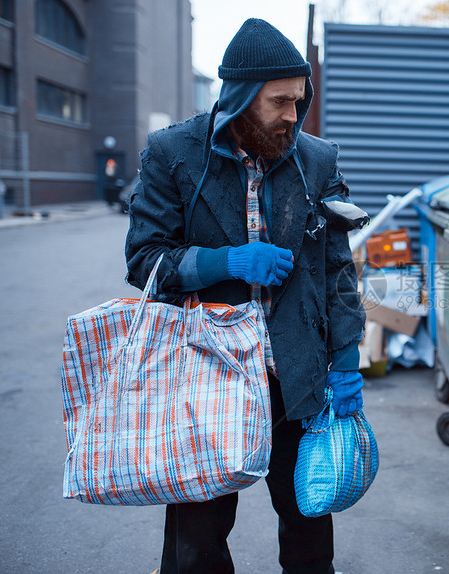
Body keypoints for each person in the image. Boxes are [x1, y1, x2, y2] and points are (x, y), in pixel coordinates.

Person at [125, 18, 367, 574]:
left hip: (295, 374)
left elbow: (337, 273)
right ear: (238, 96)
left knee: (309, 532)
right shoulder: (172, 153)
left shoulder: (317, 160)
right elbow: (145, 262)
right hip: (208, 378)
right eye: (278, 100)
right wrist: (224, 261)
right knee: (196, 543)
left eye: (298, 101)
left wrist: (346, 360)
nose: (291, 114)